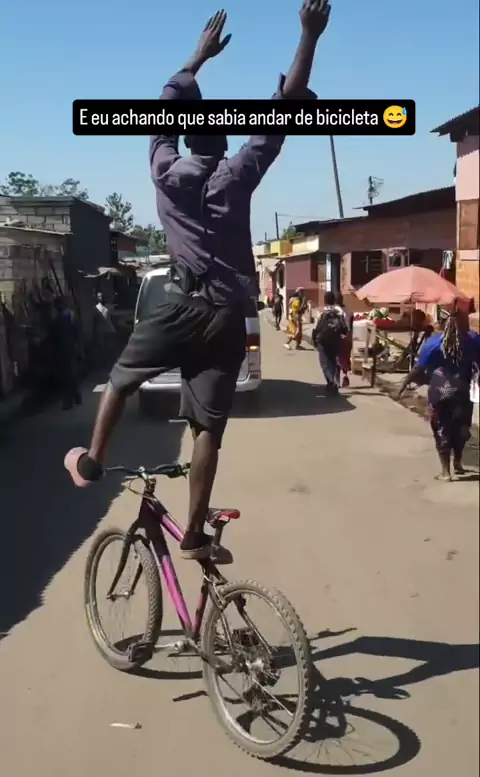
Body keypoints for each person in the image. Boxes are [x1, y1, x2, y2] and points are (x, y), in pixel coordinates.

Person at [64, 1, 332, 560]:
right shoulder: (238, 174)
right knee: (208, 429)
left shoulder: (166, 173)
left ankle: (92, 462)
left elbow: (163, 107)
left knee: (120, 380)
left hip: (181, 306)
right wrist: (309, 35)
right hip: (228, 315)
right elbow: (285, 107)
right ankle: (193, 534)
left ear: (187, 140)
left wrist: (197, 59)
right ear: (225, 141)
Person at [397, 309, 480, 480]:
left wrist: (403, 385)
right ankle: (458, 463)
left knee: (442, 428)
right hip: (462, 392)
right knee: (461, 428)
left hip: (439, 392)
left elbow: (419, 368)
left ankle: (445, 472)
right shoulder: (473, 340)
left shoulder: (434, 343)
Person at [312, 291, 348, 394]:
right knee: (334, 361)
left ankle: (331, 381)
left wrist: (314, 340)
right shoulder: (339, 312)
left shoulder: (321, 311)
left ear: (325, 300)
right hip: (336, 340)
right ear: (334, 300)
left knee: (324, 362)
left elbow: (316, 328)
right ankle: (335, 381)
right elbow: (344, 328)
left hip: (323, 341)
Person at [50, 296, 82, 409]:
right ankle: (76, 396)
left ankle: (69, 401)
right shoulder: (62, 317)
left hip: (67, 350)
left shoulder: (65, 316)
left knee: (67, 376)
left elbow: (77, 331)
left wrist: (78, 346)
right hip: (66, 349)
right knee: (70, 374)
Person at [335, 293, 353, 387]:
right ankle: (342, 377)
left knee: (340, 357)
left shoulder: (335, 310)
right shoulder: (348, 311)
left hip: (341, 336)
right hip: (345, 336)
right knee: (342, 358)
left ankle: (341, 378)